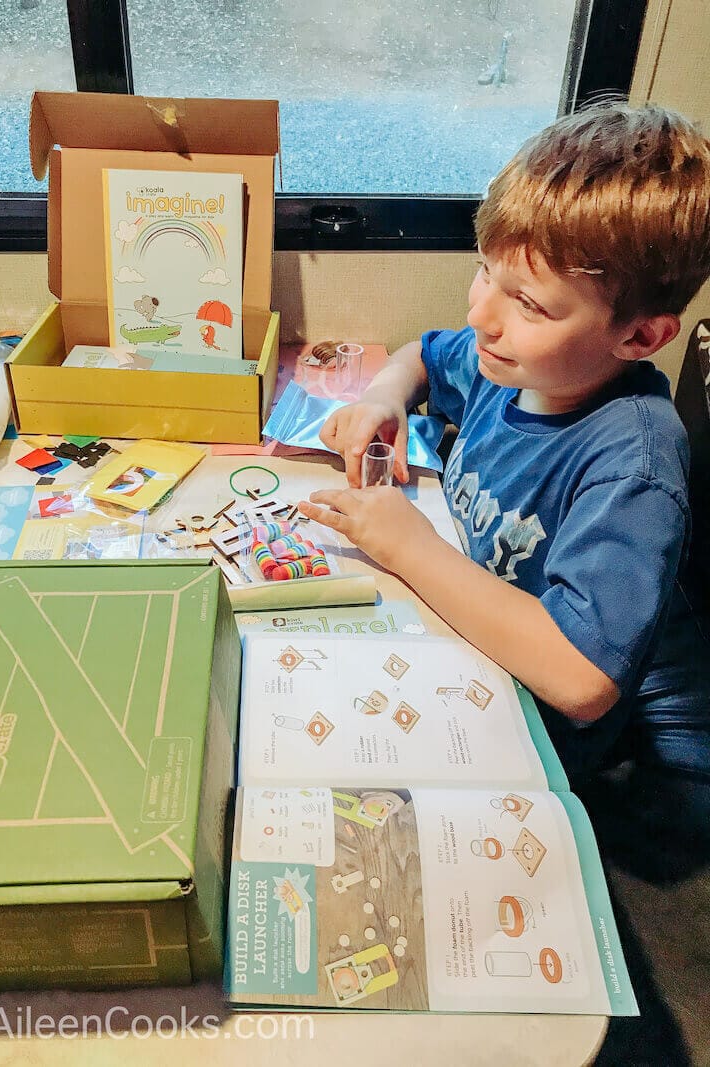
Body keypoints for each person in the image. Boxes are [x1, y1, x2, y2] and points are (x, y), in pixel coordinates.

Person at [299, 102, 710, 805]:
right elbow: (424, 354)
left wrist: (413, 549)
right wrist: (387, 398)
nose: (480, 314)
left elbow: (582, 680)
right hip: (463, 651)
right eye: (484, 271)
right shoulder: (514, 364)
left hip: (538, 739)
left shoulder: (633, 466)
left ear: (639, 338)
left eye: (530, 304)